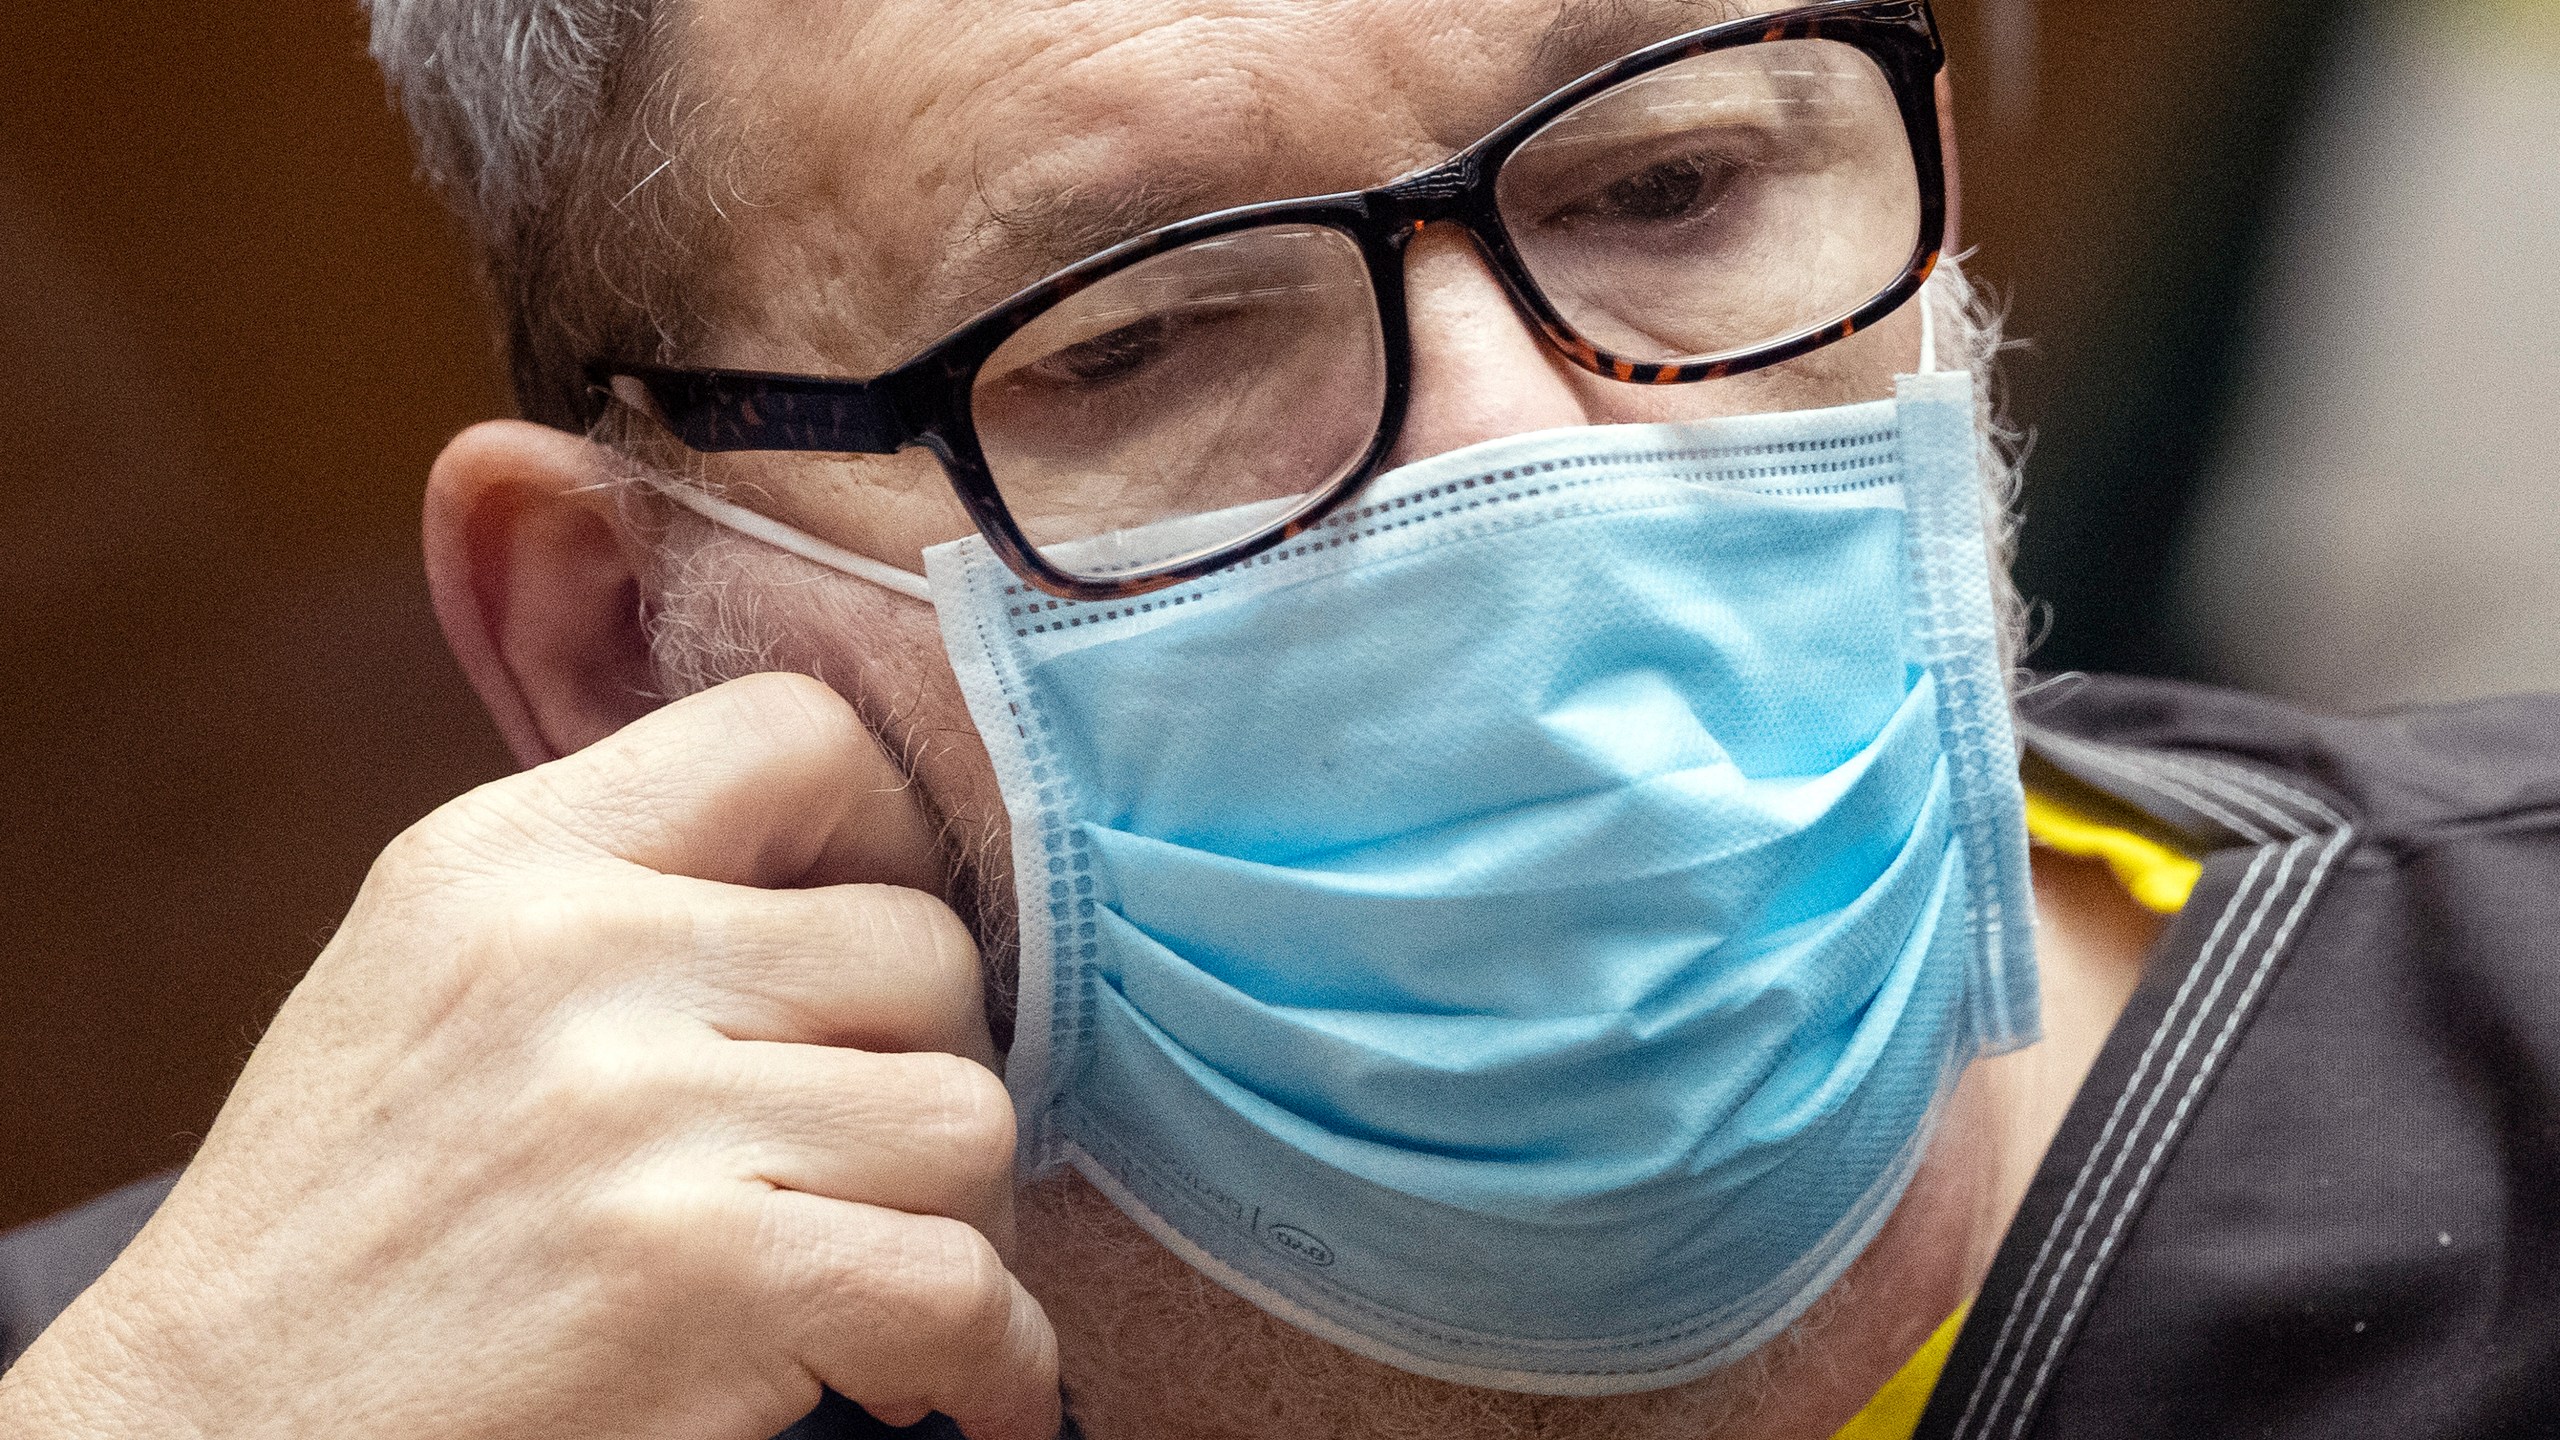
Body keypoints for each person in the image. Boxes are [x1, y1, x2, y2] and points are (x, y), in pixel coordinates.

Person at [4, 1, 2557, 1438]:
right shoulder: (290, 1376)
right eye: (1139, 336)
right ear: (610, 637)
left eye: (1668, 188)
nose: (1531, 448)